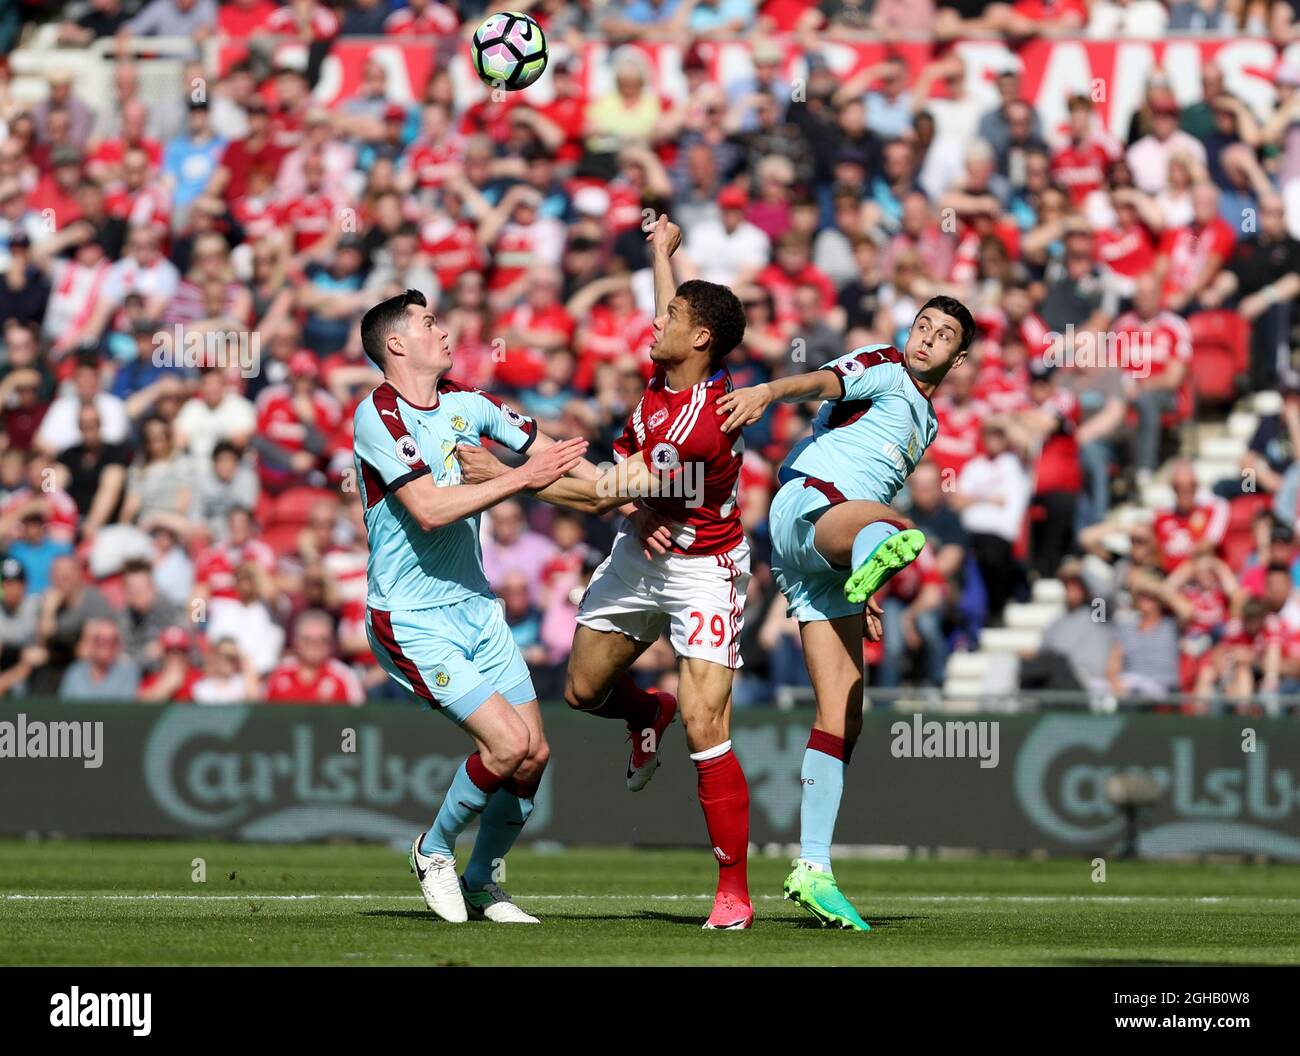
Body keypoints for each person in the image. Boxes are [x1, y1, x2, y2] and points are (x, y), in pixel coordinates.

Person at [457, 215, 756, 930]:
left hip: (703, 568)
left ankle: (734, 892)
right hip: (641, 547)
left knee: (707, 723)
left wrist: (507, 475)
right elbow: (677, 326)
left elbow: (594, 492)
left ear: (701, 341)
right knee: (585, 690)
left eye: (672, 318)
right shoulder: (670, 373)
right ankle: (644, 713)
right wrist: (662, 254)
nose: (656, 323)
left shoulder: (701, 423)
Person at [715, 295, 975, 930]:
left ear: (958, 357)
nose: (926, 339)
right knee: (899, 522)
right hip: (808, 507)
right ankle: (874, 549)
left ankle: (813, 868)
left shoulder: (928, 422)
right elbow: (823, 379)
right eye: (922, 326)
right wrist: (766, 392)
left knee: (846, 712)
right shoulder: (885, 365)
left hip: (827, 551)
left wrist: (866, 578)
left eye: (942, 336)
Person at [353, 288, 586, 925]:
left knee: (534, 753)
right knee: (507, 744)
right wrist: (515, 479)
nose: (444, 330)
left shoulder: (470, 403)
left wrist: (637, 493)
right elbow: (427, 511)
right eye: (429, 323)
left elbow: (551, 455)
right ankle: (432, 849)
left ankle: (482, 881)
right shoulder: (377, 414)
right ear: (397, 343)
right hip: (411, 616)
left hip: (476, 609)